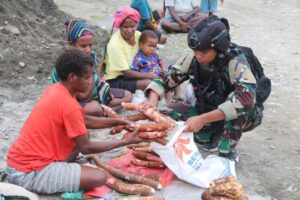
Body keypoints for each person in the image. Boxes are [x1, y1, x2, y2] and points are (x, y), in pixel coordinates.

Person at [5, 49, 142, 194]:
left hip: (17, 163)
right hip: (27, 173)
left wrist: (117, 121)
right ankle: (50, 175)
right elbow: (86, 148)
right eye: (87, 78)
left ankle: (60, 169)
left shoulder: (56, 89)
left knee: (82, 134)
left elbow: (84, 120)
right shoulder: (69, 105)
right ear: (72, 77)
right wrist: (125, 142)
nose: (90, 82)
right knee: (99, 177)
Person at [144, 16, 263, 160]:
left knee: (238, 107)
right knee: (168, 113)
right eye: (195, 52)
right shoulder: (194, 58)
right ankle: (211, 132)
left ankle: (227, 149)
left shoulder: (235, 63)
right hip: (207, 109)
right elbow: (165, 79)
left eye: (204, 53)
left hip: (238, 115)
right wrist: (152, 100)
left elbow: (246, 101)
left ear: (218, 48)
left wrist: (202, 119)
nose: (198, 56)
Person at [51, 19, 132, 113]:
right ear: (71, 44)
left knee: (128, 95)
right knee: (95, 108)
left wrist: (105, 92)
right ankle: (103, 112)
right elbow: (84, 97)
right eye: (83, 46)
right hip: (73, 100)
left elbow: (96, 82)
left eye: (90, 45)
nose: (88, 50)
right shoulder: (69, 65)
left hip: (91, 93)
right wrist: (92, 73)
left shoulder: (90, 57)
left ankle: (104, 111)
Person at [105, 6, 157, 94]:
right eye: (125, 27)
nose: (129, 30)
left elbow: (150, 53)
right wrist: (151, 75)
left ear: (136, 24)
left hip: (136, 71)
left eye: (132, 26)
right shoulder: (115, 44)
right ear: (119, 26)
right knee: (149, 83)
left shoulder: (139, 36)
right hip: (117, 79)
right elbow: (126, 73)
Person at [131, 30, 180, 103]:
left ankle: (172, 101)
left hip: (158, 75)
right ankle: (165, 102)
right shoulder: (138, 59)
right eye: (149, 46)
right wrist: (148, 76)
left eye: (154, 46)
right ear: (141, 44)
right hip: (148, 79)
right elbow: (135, 73)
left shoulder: (154, 54)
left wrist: (163, 71)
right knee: (161, 86)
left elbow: (160, 62)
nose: (152, 48)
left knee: (173, 76)